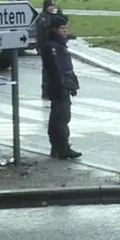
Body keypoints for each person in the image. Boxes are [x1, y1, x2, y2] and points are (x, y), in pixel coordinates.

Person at [41, 14, 82, 160]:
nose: (65, 31)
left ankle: (58, 147)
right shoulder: (52, 46)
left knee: (59, 117)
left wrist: (72, 83)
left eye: (66, 28)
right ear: (54, 29)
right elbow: (56, 69)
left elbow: (66, 67)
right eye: (62, 28)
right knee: (61, 118)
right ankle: (61, 147)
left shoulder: (59, 45)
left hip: (63, 85)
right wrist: (63, 84)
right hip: (58, 87)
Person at [35, 0, 56, 100]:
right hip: (46, 48)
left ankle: (52, 91)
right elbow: (41, 34)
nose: (52, 8)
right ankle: (46, 92)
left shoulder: (51, 17)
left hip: (53, 47)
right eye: (51, 6)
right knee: (47, 70)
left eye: (53, 6)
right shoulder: (42, 18)